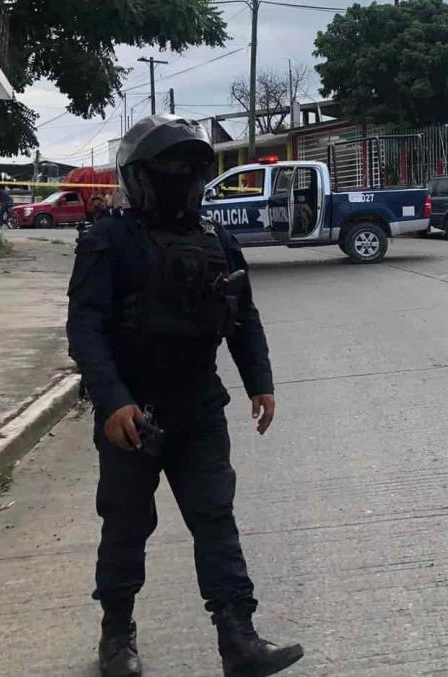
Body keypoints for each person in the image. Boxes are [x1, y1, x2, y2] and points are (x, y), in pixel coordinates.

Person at [67, 115, 303, 677]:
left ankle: (239, 640)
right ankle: (116, 637)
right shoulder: (108, 240)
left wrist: (260, 382)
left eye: (189, 171)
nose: (181, 181)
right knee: (125, 526)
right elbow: (86, 328)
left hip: (199, 407)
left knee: (215, 519)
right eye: (167, 170)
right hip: (133, 414)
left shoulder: (214, 238)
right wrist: (112, 399)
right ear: (139, 177)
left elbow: (243, 318)